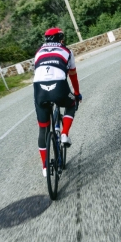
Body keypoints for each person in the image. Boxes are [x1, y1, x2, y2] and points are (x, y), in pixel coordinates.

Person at [33, 27, 82, 177]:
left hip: (39, 90)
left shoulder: (38, 52)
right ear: (60, 38)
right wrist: (77, 93)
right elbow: (72, 74)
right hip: (59, 87)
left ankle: (45, 167)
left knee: (43, 129)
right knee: (71, 104)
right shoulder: (66, 51)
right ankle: (64, 134)